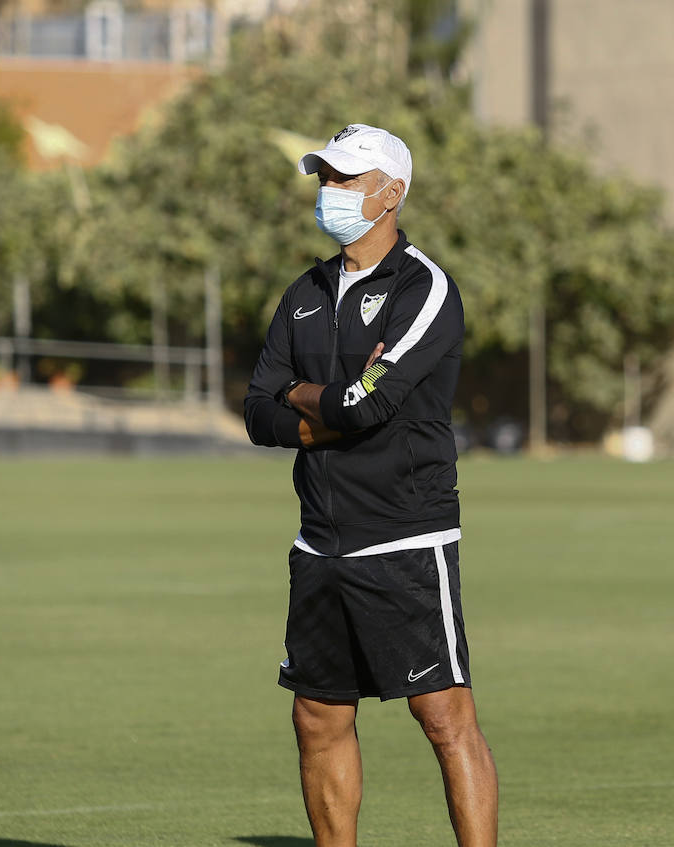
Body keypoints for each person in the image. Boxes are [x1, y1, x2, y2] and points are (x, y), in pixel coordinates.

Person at [244, 123, 498, 847]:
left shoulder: (425, 289)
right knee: (317, 716)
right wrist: (319, 398)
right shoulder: (304, 292)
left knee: (444, 717)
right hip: (319, 539)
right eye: (323, 178)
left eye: (344, 180)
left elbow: (371, 404)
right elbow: (257, 411)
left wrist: (303, 393)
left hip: (405, 534)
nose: (329, 193)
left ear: (392, 192)